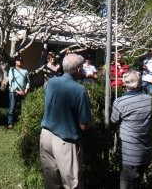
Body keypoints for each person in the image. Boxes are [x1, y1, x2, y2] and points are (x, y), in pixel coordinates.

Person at [40, 53, 91, 189]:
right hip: (65, 141)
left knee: (51, 183)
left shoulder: (51, 82)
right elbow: (84, 125)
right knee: (72, 184)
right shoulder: (80, 90)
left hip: (45, 136)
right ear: (79, 70)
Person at [111, 70, 152, 188]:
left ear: (125, 83)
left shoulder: (120, 102)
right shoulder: (148, 99)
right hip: (146, 150)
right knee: (137, 182)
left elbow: (113, 123)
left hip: (130, 153)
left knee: (127, 183)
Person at [7, 55, 30, 129]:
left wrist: (26, 89)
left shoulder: (25, 71)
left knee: (24, 108)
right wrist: (17, 90)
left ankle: (23, 122)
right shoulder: (12, 70)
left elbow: (28, 81)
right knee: (12, 107)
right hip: (14, 92)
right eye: (18, 60)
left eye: (21, 60)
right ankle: (10, 123)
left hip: (23, 92)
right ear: (15, 61)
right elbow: (11, 82)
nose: (19, 61)